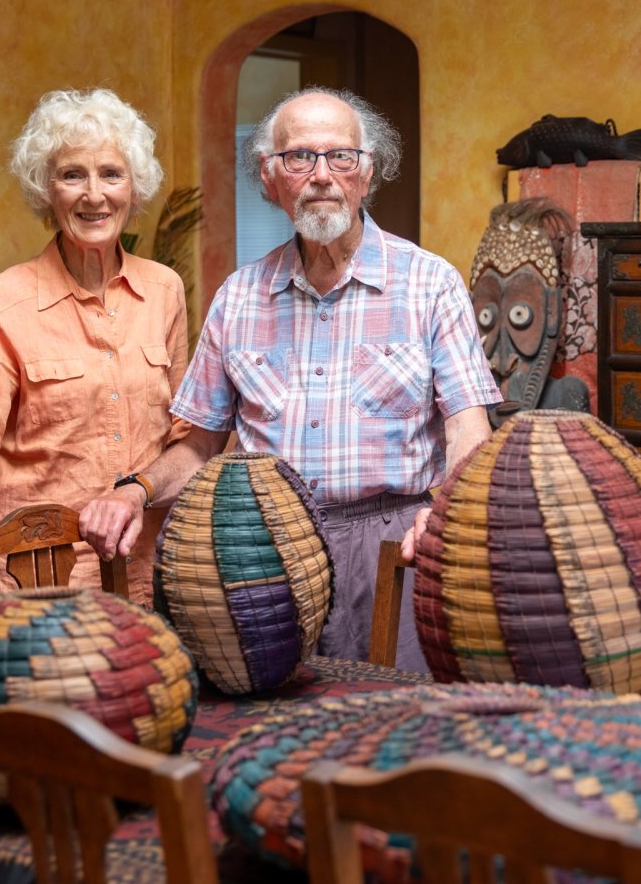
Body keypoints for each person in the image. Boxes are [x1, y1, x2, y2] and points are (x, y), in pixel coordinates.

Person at [79, 86, 502, 670]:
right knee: (273, 731)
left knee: (398, 728)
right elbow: (200, 445)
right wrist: (136, 490)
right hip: (267, 553)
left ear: (367, 172)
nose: (322, 175)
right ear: (271, 176)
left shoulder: (430, 284)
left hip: (396, 549)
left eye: (341, 157)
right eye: (300, 157)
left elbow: (467, 427)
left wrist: (448, 511)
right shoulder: (239, 297)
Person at [0, 88, 189, 606]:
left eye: (111, 174)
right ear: (46, 190)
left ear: (133, 188)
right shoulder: (4, 300)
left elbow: (189, 433)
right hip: (38, 578)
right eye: (73, 175)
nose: (94, 195)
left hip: (148, 570)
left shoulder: (165, 290)